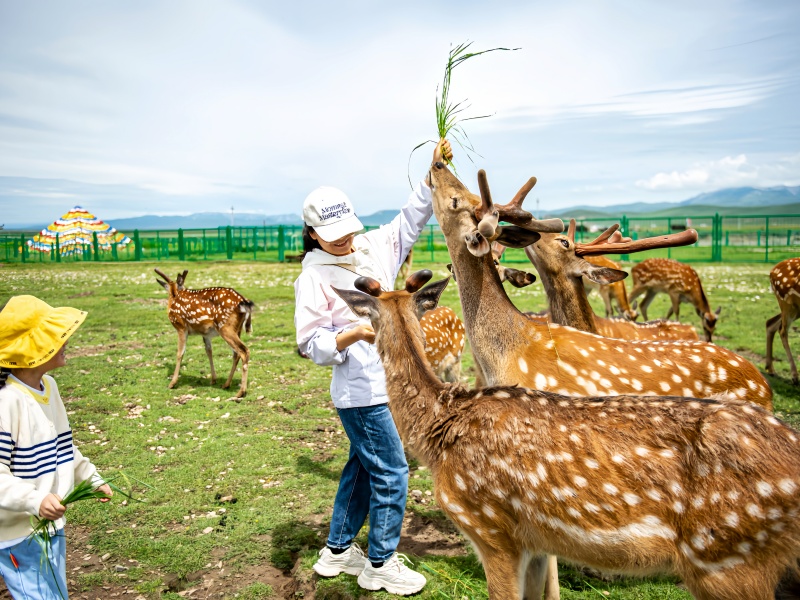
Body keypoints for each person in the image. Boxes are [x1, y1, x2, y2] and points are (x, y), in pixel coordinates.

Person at [294, 139, 451, 596]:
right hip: (361, 390)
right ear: (311, 234)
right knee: (393, 470)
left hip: (390, 385)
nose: (344, 241)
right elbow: (310, 343)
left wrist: (432, 176)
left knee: (363, 466)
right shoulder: (314, 277)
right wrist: (354, 334)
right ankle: (381, 561)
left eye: (347, 231)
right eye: (333, 236)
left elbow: (409, 221)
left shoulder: (370, 247)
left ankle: (339, 550)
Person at [0, 295, 112, 600]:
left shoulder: (49, 387)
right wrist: (34, 500)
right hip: (17, 533)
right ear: (34, 349)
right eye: (56, 337)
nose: (66, 341)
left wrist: (91, 479)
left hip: (51, 525)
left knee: (57, 595)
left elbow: (64, 447)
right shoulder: (7, 401)